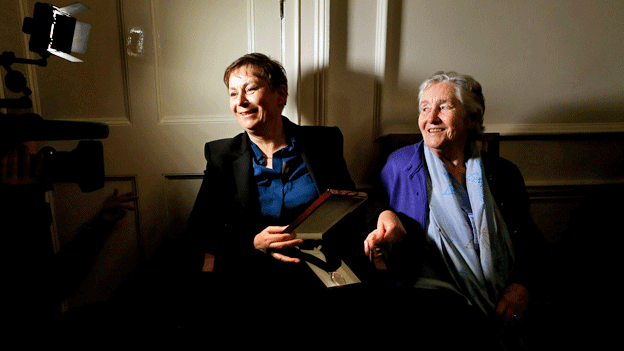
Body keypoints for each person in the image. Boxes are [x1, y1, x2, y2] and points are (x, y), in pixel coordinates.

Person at [364, 71, 544, 347]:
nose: (430, 117)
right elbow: (371, 206)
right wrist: (382, 222)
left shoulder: (503, 173)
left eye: (444, 107)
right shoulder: (402, 165)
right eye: (424, 108)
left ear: (472, 119)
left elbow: (529, 239)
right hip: (429, 299)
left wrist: (522, 286)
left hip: (502, 293)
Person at [186, 53, 364, 311]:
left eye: (251, 89)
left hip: (320, 259)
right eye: (233, 94)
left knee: (353, 310)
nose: (241, 102)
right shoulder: (221, 155)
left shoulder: (324, 142)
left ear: (281, 95)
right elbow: (199, 229)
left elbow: (349, 203)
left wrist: (384, 215)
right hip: (252, 264)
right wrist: (253, 242)